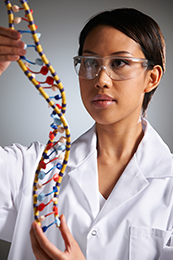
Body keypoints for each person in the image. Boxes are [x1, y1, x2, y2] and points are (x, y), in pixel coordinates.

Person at [0, 7, 173, 260]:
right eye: (90, 63)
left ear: (152, 77)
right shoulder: (34, 167)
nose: (101, 79)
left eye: (119, 63)